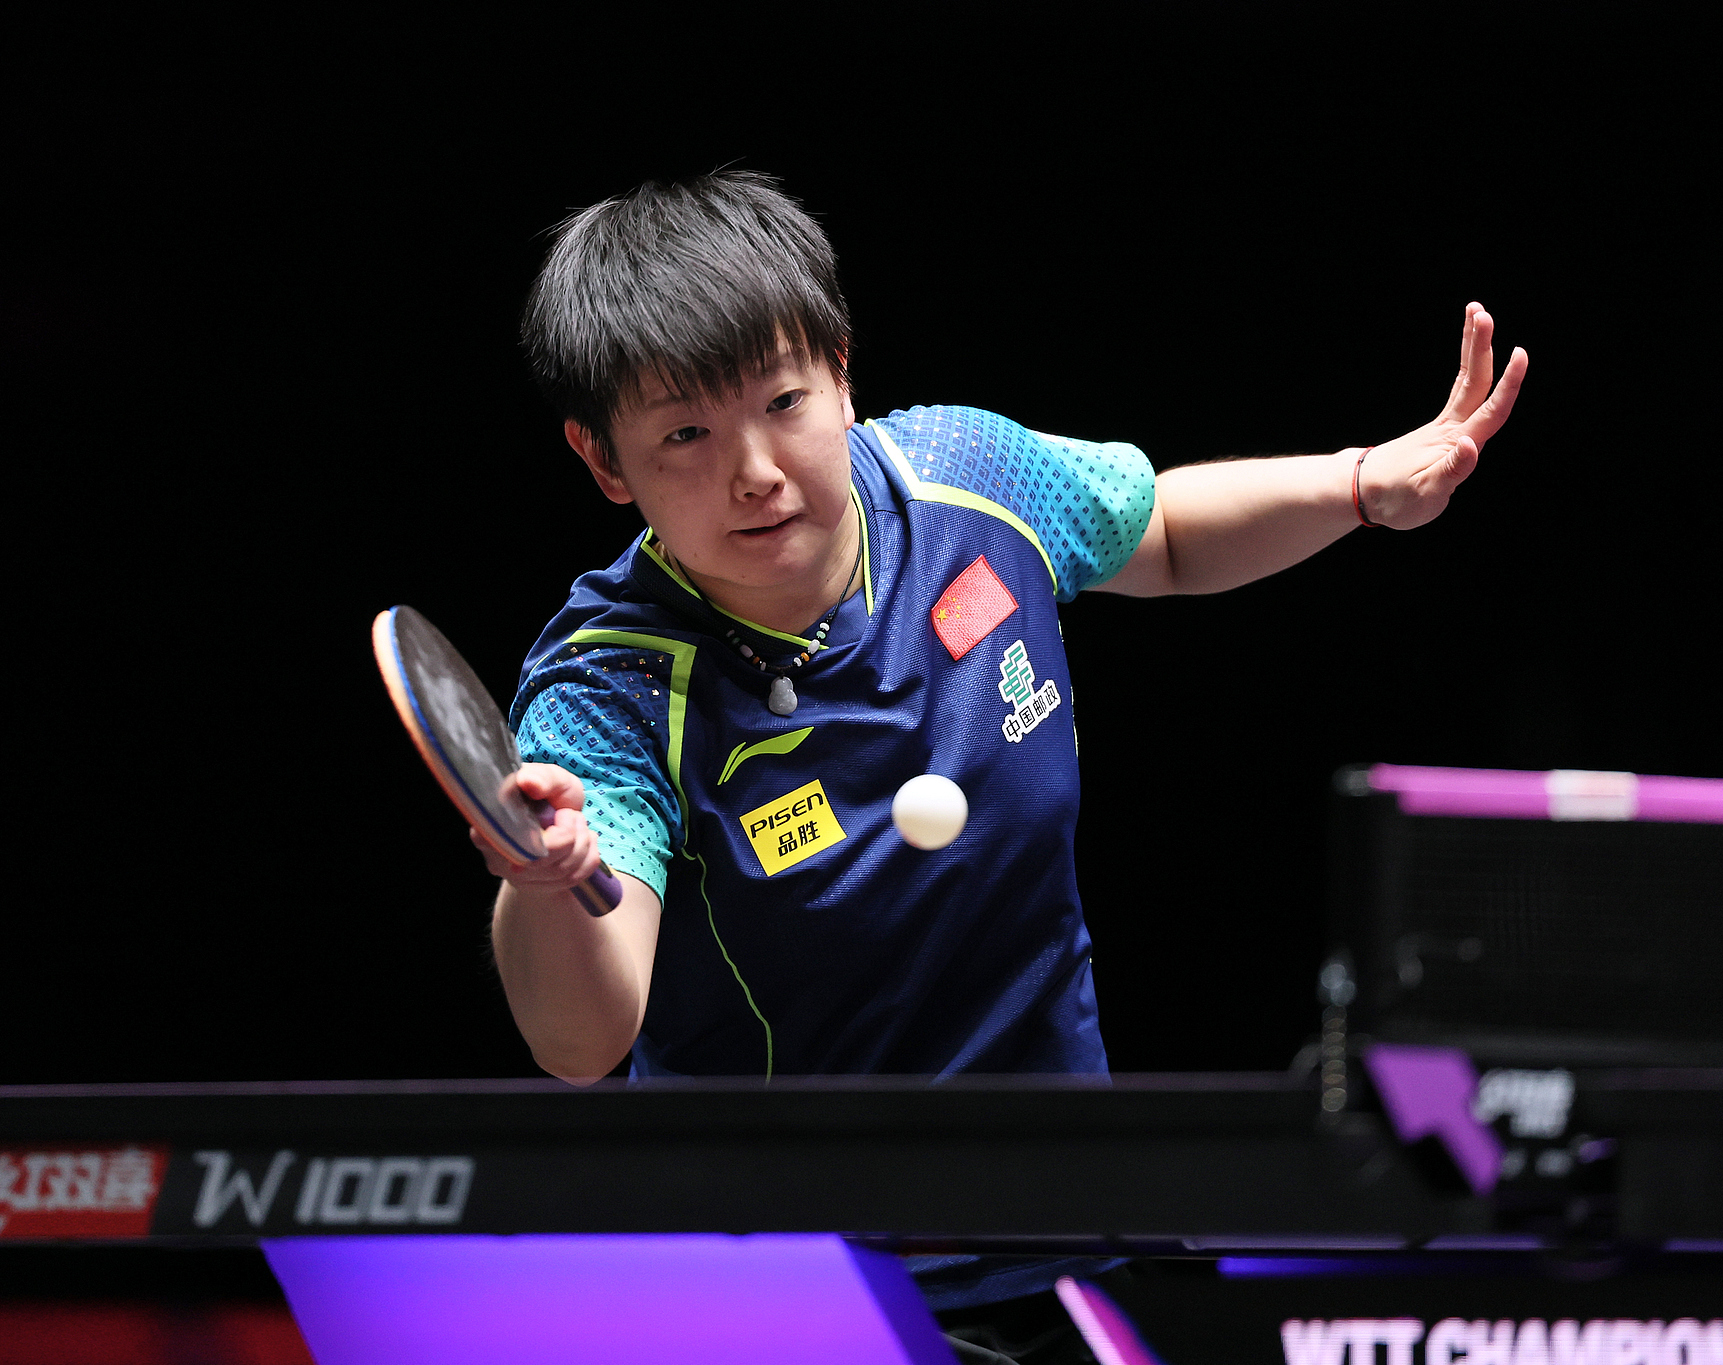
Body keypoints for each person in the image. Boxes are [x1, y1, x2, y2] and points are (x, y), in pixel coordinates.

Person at [477, 170, 1525, 1352]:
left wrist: (1356, 488)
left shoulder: (967, 480)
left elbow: (1163, 533)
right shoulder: (612, 688)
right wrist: (546, 877)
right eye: (684, 434)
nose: (755, 471)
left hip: (1065, 1225)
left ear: (839, 367)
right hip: (794, 1281)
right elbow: (580, 1041)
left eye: (782, 402)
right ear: (602, 461)